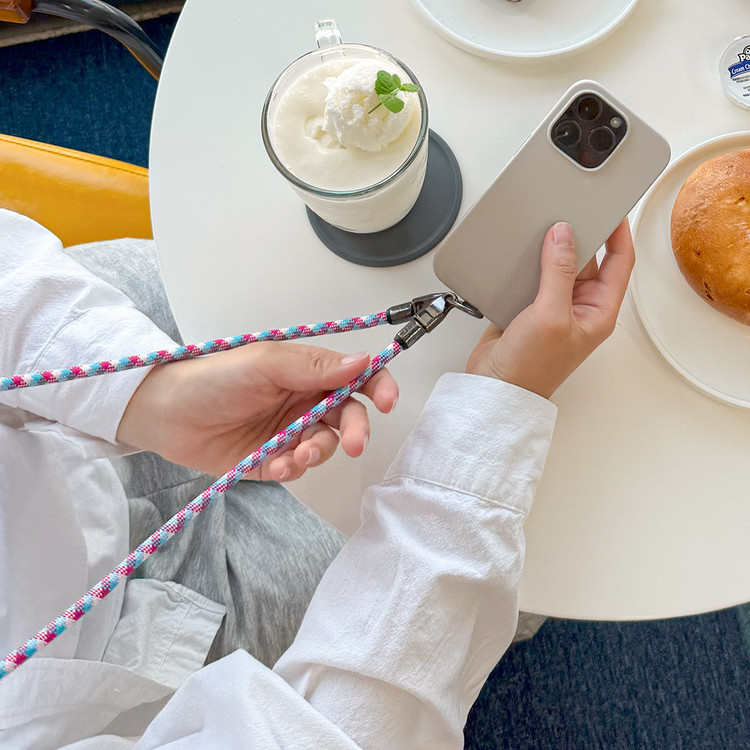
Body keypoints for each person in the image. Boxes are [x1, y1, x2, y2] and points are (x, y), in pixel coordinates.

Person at [0, 207, 634, 749]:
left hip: (70, 348)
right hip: (131, 643)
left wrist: (152, 395)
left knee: (311, 271)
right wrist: (494, 417)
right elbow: (334, 733)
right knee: (529, 555)